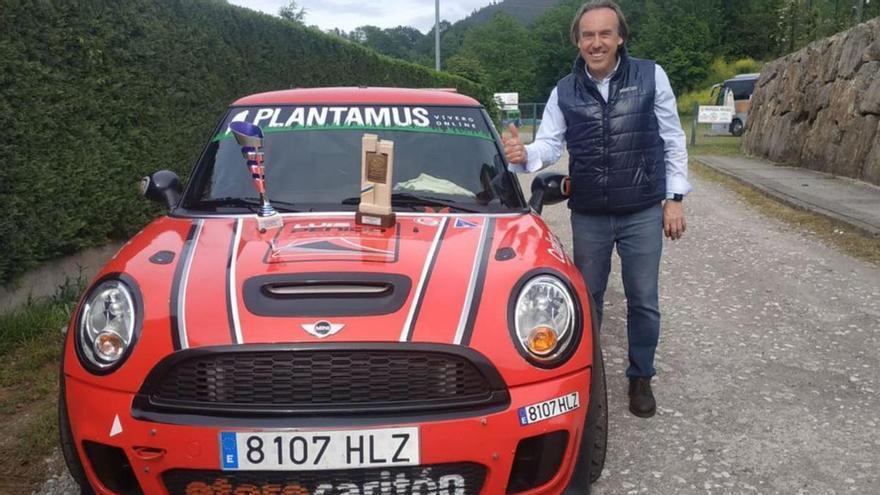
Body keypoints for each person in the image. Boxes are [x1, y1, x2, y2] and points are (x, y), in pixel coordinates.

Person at [503, 0, 690, 418]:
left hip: (642, 209)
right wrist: (522, 154)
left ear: (620, 37)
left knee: (643, 300)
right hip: (589, 213)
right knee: (588, 299)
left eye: (605, 33)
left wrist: (674, 198)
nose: (597, 42)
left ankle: (640, 376)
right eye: (588, 35)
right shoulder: (563, 90)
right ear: (577, 41)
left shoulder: (650, 75)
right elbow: (550, 145)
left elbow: (673, 138)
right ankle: (586, 377)